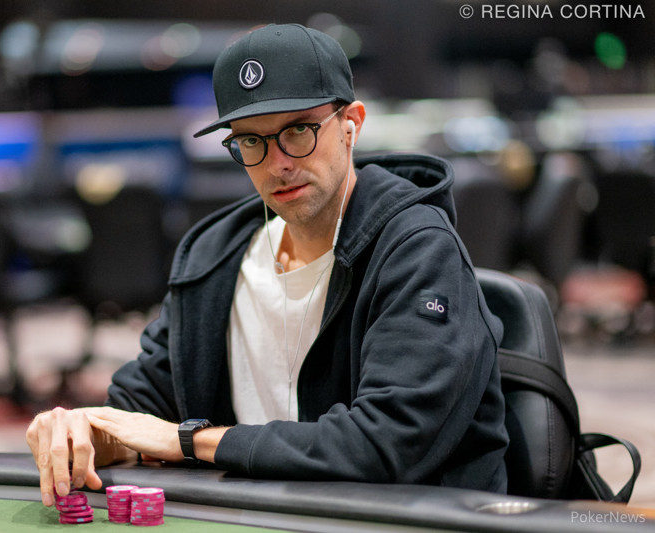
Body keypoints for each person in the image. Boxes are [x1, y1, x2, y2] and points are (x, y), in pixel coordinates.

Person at [26, 23, 509, 507]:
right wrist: (84, 431)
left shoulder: (416, 249)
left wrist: (191, 440)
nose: (278, 163)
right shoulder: (215, 256)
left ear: (351, 124)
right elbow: (141, 411)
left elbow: (388, 445)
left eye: (298, 131)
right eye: (252, 141)